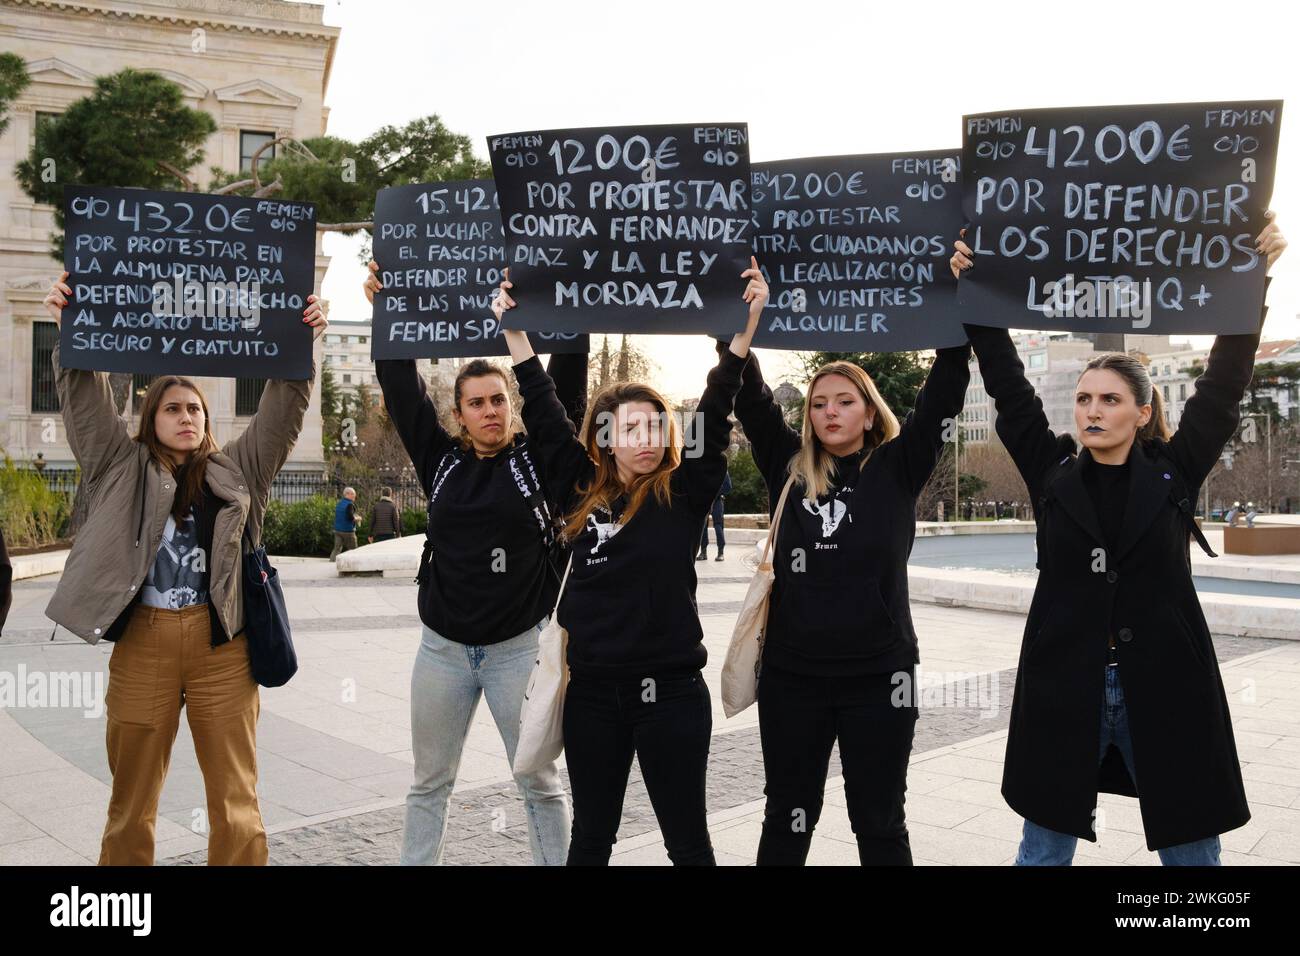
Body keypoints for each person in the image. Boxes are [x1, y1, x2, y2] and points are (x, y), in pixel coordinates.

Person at [951, 211, 1286, 865]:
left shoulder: (1176, 469)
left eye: (1108, 399)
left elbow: (1222, 385)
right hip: (1065, 684)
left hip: (1163, 683)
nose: (1093, 410)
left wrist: (1253, 281)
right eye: (1083, 399)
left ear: (1142, 409)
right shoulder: (1052, 475)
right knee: (1044, 845)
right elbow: (1010, 388)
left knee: (1191, 846)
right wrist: (978, 298)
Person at [41, 271, 326, 865]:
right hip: (142, 644)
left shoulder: (238, 471)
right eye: (173, 408)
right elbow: (84, 399)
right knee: (131, 802)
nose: (187, 417)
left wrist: (306, 342)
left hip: (221, 646)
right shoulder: (117, 465)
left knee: (236, 800)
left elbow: (283, 408)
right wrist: (70, 325)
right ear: (152, 418)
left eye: (195, 408)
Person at [494, 258, 768, 865]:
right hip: (592, 697)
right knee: (592, 840)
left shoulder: (686, 489)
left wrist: (744, 329)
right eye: (630, 429)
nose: (646, 439)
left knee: (687, 842)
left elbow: (719, 405)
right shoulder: (574, 486)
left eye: (655, 426)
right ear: (604, 438)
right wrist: (515, 330)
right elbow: (541, 407)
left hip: (672, 695)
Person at [720, 298, 972, 867]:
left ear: (868, 411)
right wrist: (731, 314)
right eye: (817, 404)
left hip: (880, 679)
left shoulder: (898, 466)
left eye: (844, 402)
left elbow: (944, 390)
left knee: (879, 821)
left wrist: (959, 301)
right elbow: (752, 396)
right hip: (792, 681)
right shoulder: (788, 463)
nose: (829, 412)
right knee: (788, 816)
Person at [363, 261, 587, 865]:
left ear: (512, 404)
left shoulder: (541, 459)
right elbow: (401, 391)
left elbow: (564, 383)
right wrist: (388, 309)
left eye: (498, 400)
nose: (489, 411)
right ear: (459, 413)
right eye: (475, 403)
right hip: (442, 651)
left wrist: (567, 301)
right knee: (428, 784)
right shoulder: (440, 461)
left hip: (520, 649)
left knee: (538, 783)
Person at [697, 469, 732, 561]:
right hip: (705, 501)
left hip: (717, 501)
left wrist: (715, 493)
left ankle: (721, 553)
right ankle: (703, 552)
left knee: (718, 526)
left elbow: (728, 487)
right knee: (703, 527)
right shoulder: (703, 469)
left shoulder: (723, 470)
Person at [331, 487, 358, 559]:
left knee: (336, 549)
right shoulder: (350, 504)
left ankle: (332, 563)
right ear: (347, 494)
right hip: (348, 531)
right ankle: (353, 565)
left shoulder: (339, 503)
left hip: (337, 530)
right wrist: (357, 518)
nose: (354, 496)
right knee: (353, 550)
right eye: (352, 494)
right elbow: (350, 517)